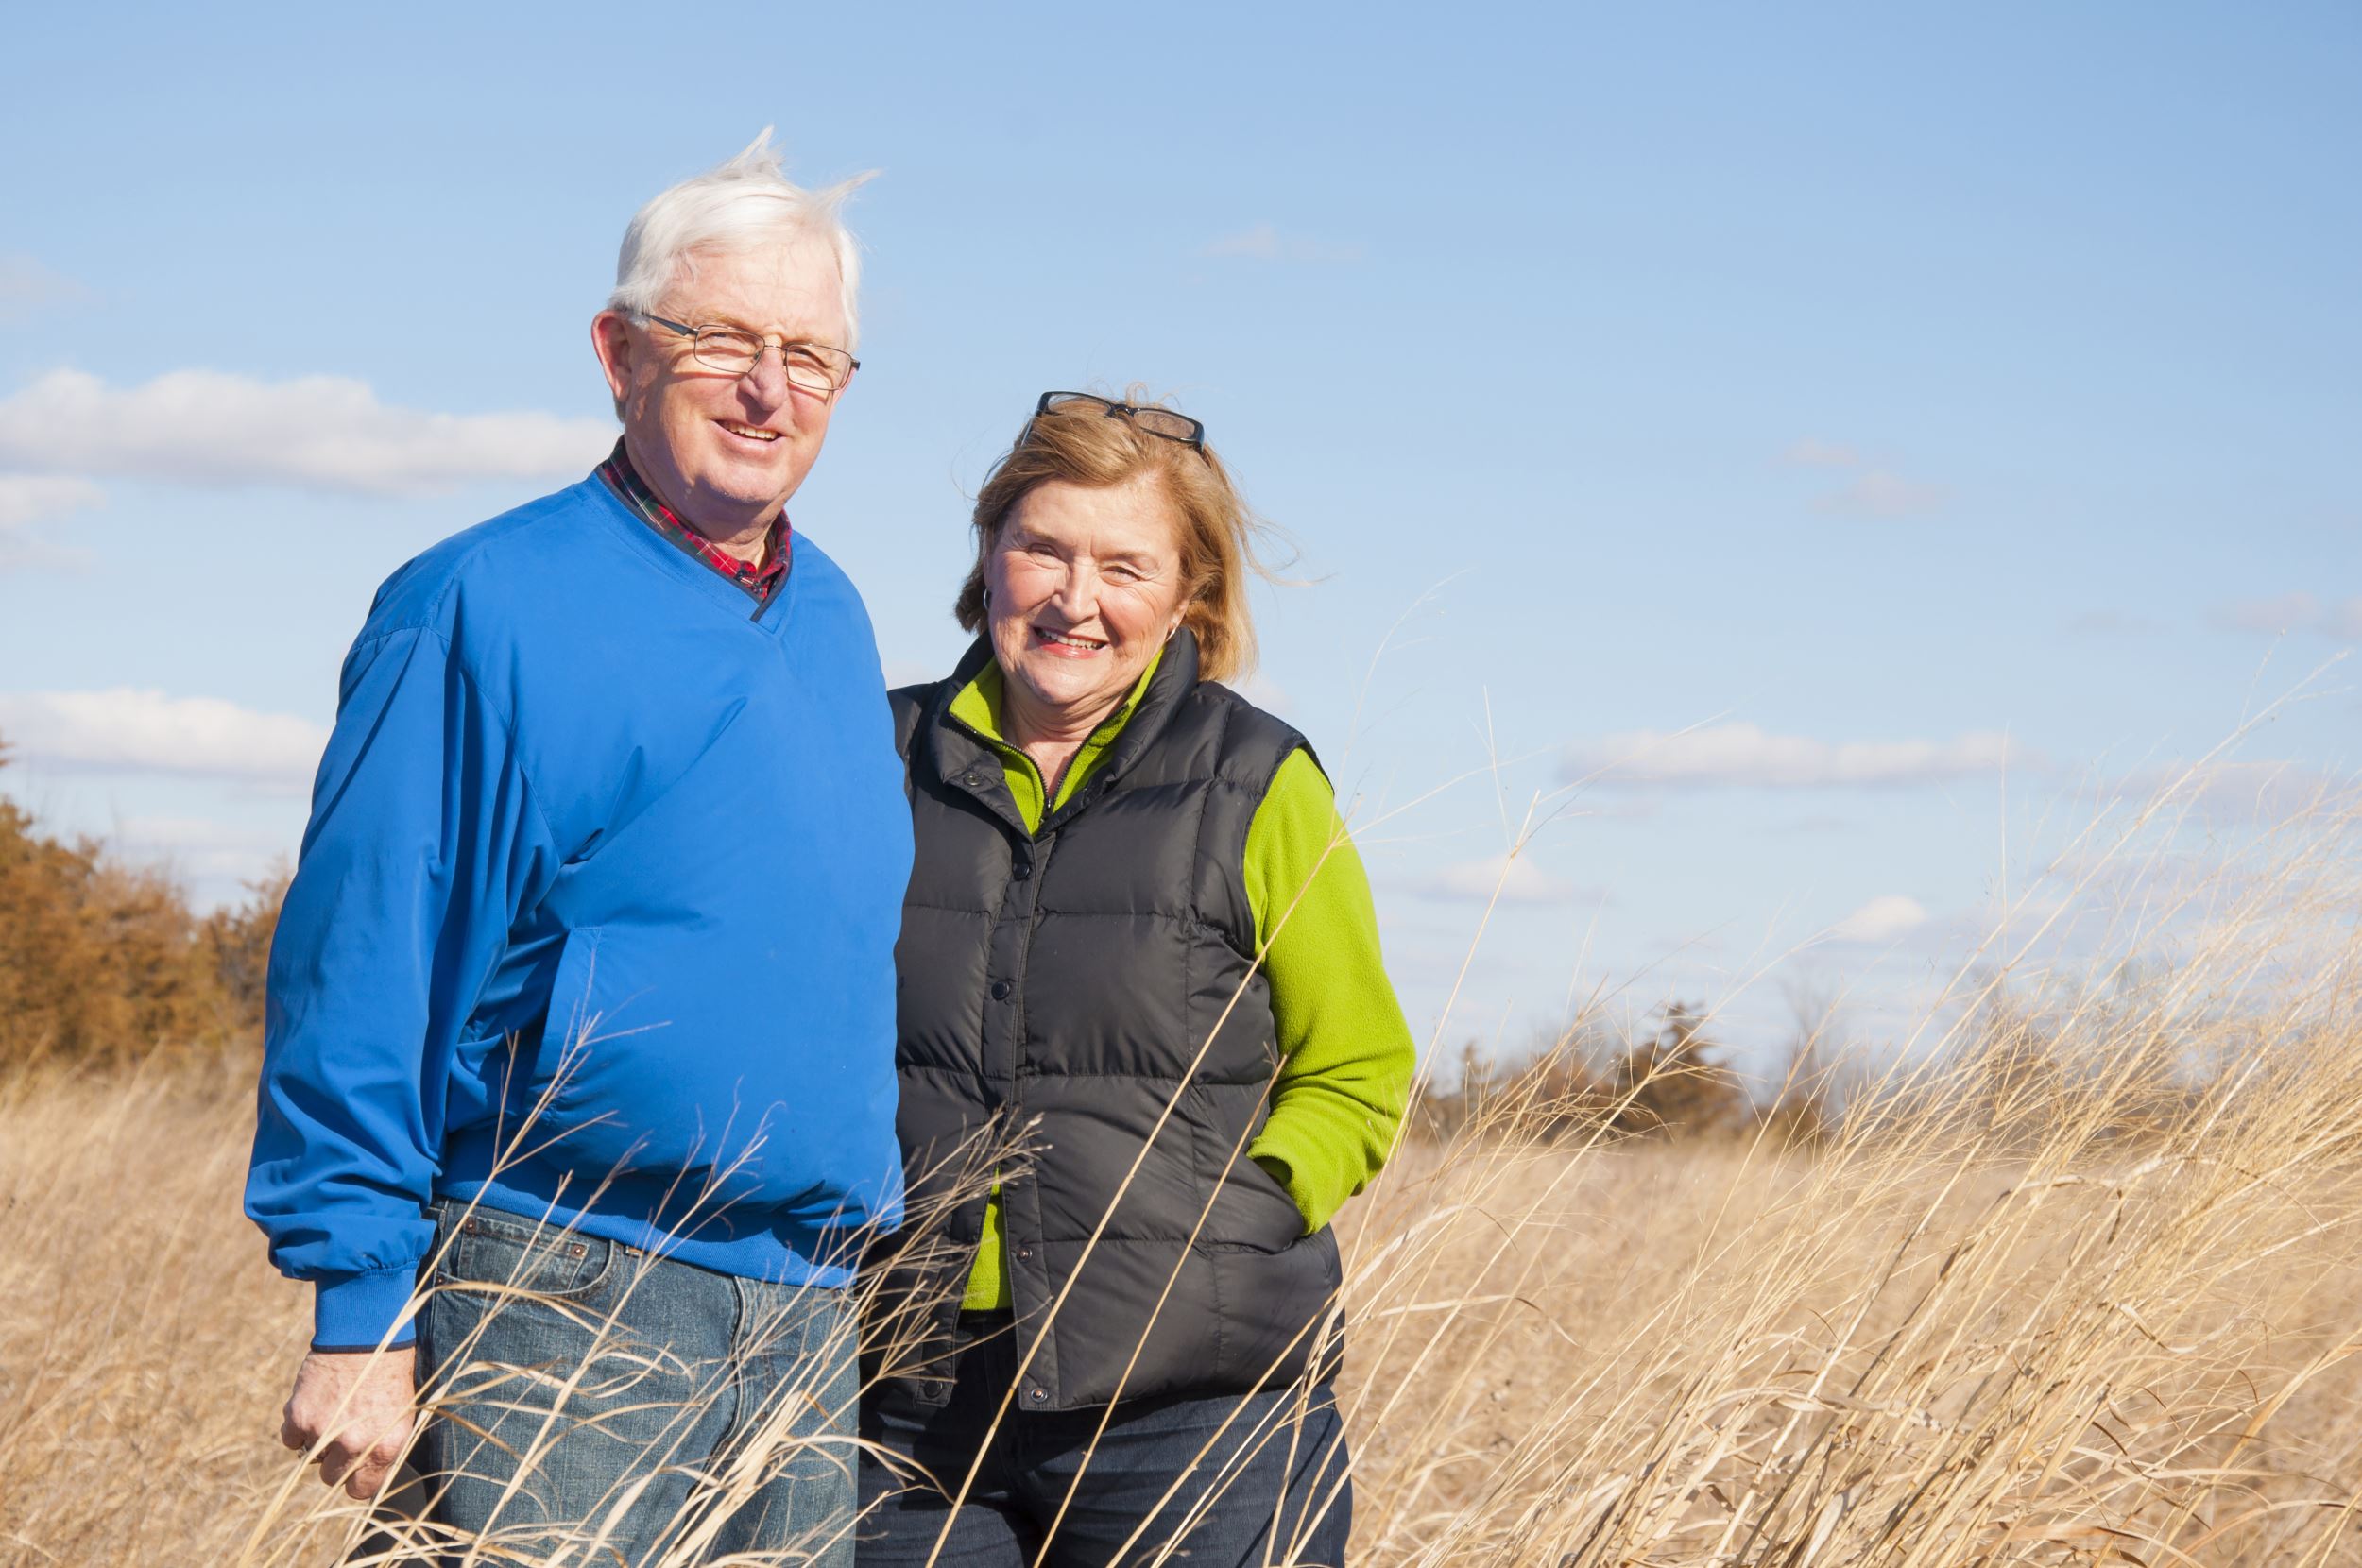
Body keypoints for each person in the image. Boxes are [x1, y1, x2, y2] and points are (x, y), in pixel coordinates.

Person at [244, 132, 910, 1564]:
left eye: (811, 353)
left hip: (800, 1312)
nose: (769, 386)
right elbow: (367, 961)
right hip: (561, 1284)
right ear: (619, 352)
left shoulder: (839, 620)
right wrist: (361, 1308)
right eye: (723, 337)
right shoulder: (480, 604)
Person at [859, 391, 1417, 1566]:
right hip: (907, 1409)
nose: (1075, 598)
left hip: (1194, 1417)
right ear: (988, 557)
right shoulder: (876, 757)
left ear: (1186, 596)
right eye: (1042, 548)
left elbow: (1358, 1072)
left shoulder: (1260, 781)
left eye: (1125, 564)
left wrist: (1230, 1226)